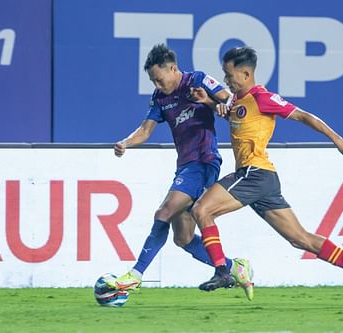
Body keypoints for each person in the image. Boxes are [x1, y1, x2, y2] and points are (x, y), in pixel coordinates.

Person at [190, 46, 343, 304]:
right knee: (300, 239)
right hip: (261, 179)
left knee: (202, 210)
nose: (226, 80)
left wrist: (338, 140)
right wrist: (211, 103)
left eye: (229, 75)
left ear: (245, 73)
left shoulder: (262, 97)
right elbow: (240, 120)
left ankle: (223, 271)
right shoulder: (235, 101)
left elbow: (303, 116)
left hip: (254, 173)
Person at [107, 44, 254, 300]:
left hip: (204, 161)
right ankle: (234, 267)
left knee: (164, 211)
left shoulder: (197, 80)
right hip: (186, 166)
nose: (157, 84)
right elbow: (145, 130)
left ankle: (136, 275)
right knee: (183, 238)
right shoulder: (160, 97)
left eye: (159, 78)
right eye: (153, 80)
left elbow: (231, 101)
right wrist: (126, 143)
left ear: (173, 68)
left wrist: (211, 102)